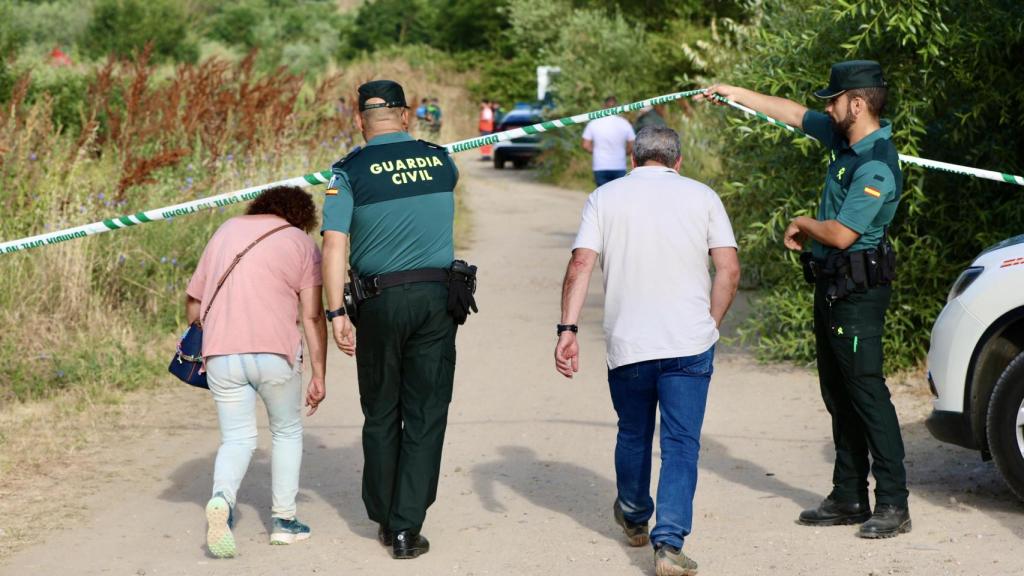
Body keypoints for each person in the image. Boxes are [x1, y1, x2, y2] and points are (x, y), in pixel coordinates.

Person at [699, 60, 909, 538]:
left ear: (856, 104)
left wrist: (802, 222)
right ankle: (849, 494)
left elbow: (840, 233)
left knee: (867, 394)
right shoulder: (844, 139)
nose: (826, 107)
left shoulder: (875, 162)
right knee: (838, 394)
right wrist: (733, 89)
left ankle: (894, 502)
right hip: (833, 286)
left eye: (832, 100)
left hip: (859, 293)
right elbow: (792, 113)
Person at [555, 126, 741, 576]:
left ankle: (636, 513)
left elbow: (581, 263)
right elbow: (729, 269)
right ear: (678, 162)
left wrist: (567, 328)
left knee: (634, 432)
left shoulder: (606, 197)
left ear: (633, 160)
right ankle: (670, 544)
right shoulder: (703, 196)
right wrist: (710, 325)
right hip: (689, 341)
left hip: (630, 342)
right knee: (681, 444)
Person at [321, 79, 475, 560]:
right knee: (426, 411)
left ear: (360, 120)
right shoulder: (440, 160)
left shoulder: (347, 173)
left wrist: (334, 312)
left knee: (382, 410)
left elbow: (333, 244)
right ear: (405, 115)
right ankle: (409, 527)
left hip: (379, 302)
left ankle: (387, 518)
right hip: (436, 298)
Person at [185, 185, 327, 558]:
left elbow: (193, 309)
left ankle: (221, 499)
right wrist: (319, 373)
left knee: (237, 439)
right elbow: (311, 315)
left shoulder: (225, 230)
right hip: (274, 353)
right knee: (286, 431)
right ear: (303, 217)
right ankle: (284, 521)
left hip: (221, 354)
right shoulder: (300, 243)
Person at [581, 96, 636, 186]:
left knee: (602, 196)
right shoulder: (625, 123)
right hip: (619, 165)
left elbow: (585, 145)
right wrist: (624, 153)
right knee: (618, 196)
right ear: (617, 107)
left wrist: (596, 152)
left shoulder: (594, 123)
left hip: (600, 165)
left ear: (604, 106)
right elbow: (632, 144)